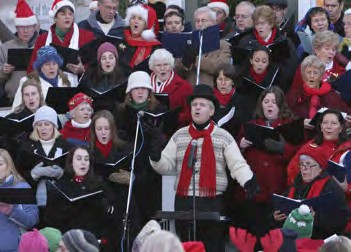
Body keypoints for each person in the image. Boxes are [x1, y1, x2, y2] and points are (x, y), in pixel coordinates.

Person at [149, 84, 258, 252]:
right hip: (183, 202)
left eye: (202, 105)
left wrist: (248, 180)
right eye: (194, 105)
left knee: (211, 247)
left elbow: (238, 164)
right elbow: (166, 167)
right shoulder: (180, 135)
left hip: (211, 203)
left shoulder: (223, 136)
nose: (197, 108)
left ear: (212, 111)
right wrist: (156, 157)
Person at [234, 86, 300, 236]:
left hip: (278, 188)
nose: (270, 105)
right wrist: (242, 145)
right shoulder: (250, 125)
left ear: (281, 105)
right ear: (261, 104)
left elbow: (298, 154)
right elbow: (236, 157)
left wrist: (283, 148)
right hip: (254, 190)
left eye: (274, 102)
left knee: (274, 237)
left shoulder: (291, 126)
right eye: (266, 101)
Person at [114, 71, 165, 228]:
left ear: (150, 91)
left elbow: (161, 148)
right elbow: (118, 143)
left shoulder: (159, 110)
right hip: (128, 168)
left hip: (150, 174)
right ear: (130, 92)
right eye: (136, 88)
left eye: (144, 88)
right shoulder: (120, 112)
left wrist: (155, 135)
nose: (140, 92)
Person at [42, 146, 114, 250]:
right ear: (71, 162)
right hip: (68, 242)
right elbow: (50, 219)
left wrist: (102, 206)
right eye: (79, 158)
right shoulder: (60, 186)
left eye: (86, 159)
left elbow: (111, 214)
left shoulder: (100, 185)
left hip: (92, 241)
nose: (83, 162)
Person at [274, 143, 348, 239]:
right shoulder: (296, 183)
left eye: (309, 165)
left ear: (320, 168)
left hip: (319, 241)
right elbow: (281, 206)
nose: (304, 169)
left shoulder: (331, 188)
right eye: (301, 164)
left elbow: (340, 221)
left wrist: (315, 220)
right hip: (291, 239)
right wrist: (275, 217)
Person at [90, 110, 140, 251]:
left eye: (107, 128)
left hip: (125, 204)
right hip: (102, 206)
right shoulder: (88, 152)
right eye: (99, 129)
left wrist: (133, 178)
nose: (103, 133)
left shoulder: (125, 149)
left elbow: (142, 175)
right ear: (94, 131)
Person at [28, 0, 95, 86]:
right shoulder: (43, 39)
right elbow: (32, 68)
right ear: (55, 18)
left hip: (79, 88)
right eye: (63, 14)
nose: (67, 17)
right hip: (48, 87)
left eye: (70, 14)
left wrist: (82, 69)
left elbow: (96, 65)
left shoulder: (86, 36)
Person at [17, 106, 71, 206]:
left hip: (61, 199)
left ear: (54, 126)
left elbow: (73, 172)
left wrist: (62, 174)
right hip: (33, 197)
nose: (43, 128)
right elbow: (19, 174)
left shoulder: (66, 145)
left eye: (47, 124)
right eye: (39, 124)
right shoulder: (26, 147)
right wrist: (33, 175)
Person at [237, 5, 298, 92]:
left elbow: (290, 68)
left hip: (277, 90)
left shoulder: (284, 42)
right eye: (257, 24)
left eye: (263, 23)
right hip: (250, 90)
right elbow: (240, 67)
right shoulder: (246, 41)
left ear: (271, 24)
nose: (259, 27)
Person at [286, 109, 350, 185]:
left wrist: (347, 189)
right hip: (309, 192)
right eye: (325, 123)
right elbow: (291, 172)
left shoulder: (348, 149)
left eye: (334, 123)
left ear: (341, 128)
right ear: (321, 127)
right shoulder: (310, 146)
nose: (328, 127)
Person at [286, 55, 351, 126]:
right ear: (303, 75)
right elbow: (285, 120)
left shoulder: (333, 96)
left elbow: (345, 119)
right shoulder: (294, 96)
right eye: (308, 72)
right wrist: (301, 123)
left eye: (315, 73)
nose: (312, 76)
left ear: (321, 75)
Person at [177, 6, 231, 87]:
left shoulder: (223, 45)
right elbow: (176, 71)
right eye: (197, 21)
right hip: (190, 91)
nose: (200, 24)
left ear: (213, 22)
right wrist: (185, 62)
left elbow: (223, 67)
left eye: (203, 20)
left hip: (211, 92)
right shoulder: (188, 43)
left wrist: (196, 60)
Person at [0, 148, 39, 252]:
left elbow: (32, 221)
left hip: (13, 248)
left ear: (9, 166)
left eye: (0, 164)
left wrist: (11, 211)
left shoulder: (21, 187)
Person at [0, 0, 38, 103]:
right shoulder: (5, 48)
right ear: (16, 28)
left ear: (34, 27)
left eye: (29, 27)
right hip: (13, 99)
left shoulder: (42, 44)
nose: (25, 31)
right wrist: (3, 71)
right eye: (22, 27)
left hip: (39, 99)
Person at [12, 45, 71, 111]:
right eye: (47, 64)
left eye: (54, 64)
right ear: (40, 66)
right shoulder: (26, 81)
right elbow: (16, 109)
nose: (52, 67)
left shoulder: (66, 79)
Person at [149, 48, 193, 127]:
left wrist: (174, 118)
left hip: (174, 130)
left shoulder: (184, 86)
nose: (162, 68)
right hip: (147, 129)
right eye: (158, 65)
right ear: (152, 67)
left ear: (171, 66)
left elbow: (190, 113)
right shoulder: (145, 84)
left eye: (166, 64)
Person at [79, 42, 126, 111]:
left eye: (111, 58)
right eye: (104, 58)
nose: (108, 61)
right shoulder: (87, 80)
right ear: (99, 61)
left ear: (116, 60)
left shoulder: (123, 81)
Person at [120, 4, 161, 72]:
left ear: (146, 25)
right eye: (133, 18)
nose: (136, 21)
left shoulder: (155, 47)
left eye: (140, 19)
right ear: (129, 22)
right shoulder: (121, 40)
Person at [211, 63, 238, 137]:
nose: (223, 83)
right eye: (220, 79)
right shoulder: (209, 97)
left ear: (232, 82)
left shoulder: (239, 100)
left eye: (226, 79)